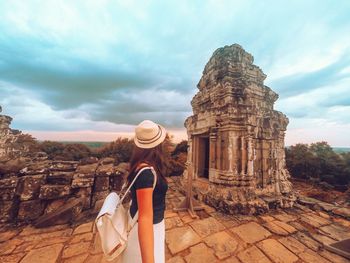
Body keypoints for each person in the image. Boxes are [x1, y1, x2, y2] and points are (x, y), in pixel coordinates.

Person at [121, 120, 169, 263]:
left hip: (153, 226)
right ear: (158, 145)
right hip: (149, 230)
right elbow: (145, 218)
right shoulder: (146, 174)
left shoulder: (142, 166)